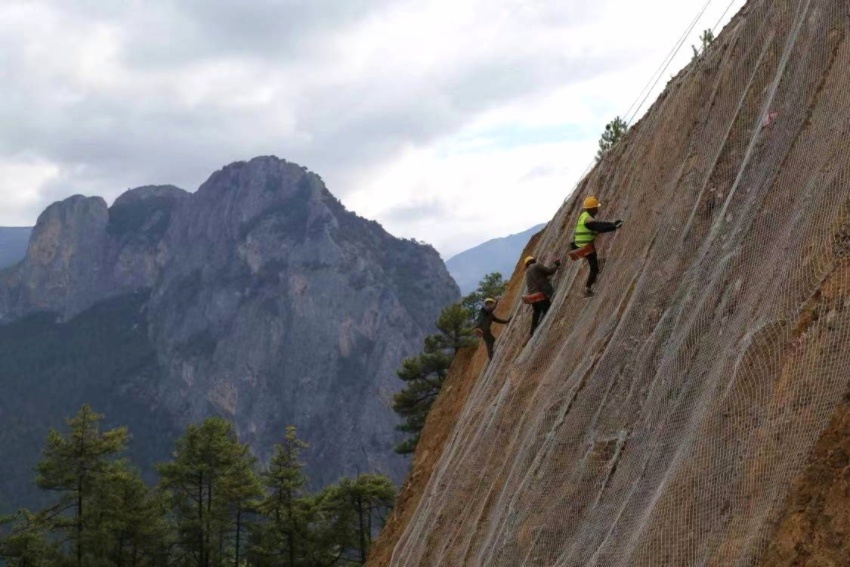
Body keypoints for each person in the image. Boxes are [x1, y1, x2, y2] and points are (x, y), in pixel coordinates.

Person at [570, 196, 623, 297]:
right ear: (592, 209)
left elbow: (598, 224)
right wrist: (614, 227)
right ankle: (587, 289)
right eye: (596, 208)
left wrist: (612, 224)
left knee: (594, 265)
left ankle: (589, 286)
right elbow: (599, 228)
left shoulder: (584, 216)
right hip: (585, 247)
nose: (597, 210)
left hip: (579, 245)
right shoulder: (588, 219)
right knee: (594, 268)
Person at [523, 256, 560, 336]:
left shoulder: (528, 272)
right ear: (533, 260)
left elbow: (538, 279)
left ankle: (531, 332)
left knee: (536, 312)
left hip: (532, 296)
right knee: (547, 311)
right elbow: (549, 271)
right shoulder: (536, 265)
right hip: (540, 294)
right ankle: (545, 333)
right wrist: (556, 265)